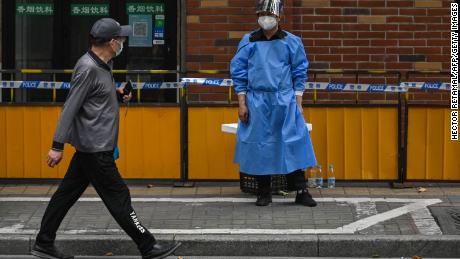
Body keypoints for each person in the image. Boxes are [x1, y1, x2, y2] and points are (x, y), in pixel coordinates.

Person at [31, 18, 181, 259]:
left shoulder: (103, 65)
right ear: (112, 42)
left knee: (65, 195)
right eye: (120, 39)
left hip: (91, 149)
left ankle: (43, 242)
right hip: (95, 150)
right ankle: (148, 245)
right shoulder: (87, 68)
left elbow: (95, 95)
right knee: (119, 196)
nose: (122, 43)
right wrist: (56, 146)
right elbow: (70, 107)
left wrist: (118, 92)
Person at [230, 0, 318, 207]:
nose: (265, 17)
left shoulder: (292, 42)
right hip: (257, 100)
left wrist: (298, 102)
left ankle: (301, 190)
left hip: (285, 99)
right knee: (261, 144)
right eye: (261, 13)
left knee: (293, 141)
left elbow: (299, 72)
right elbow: (239, 73)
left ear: (279, 17)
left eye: (269, 14)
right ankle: (263, 191)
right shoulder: (248, 41)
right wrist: (242, 103)